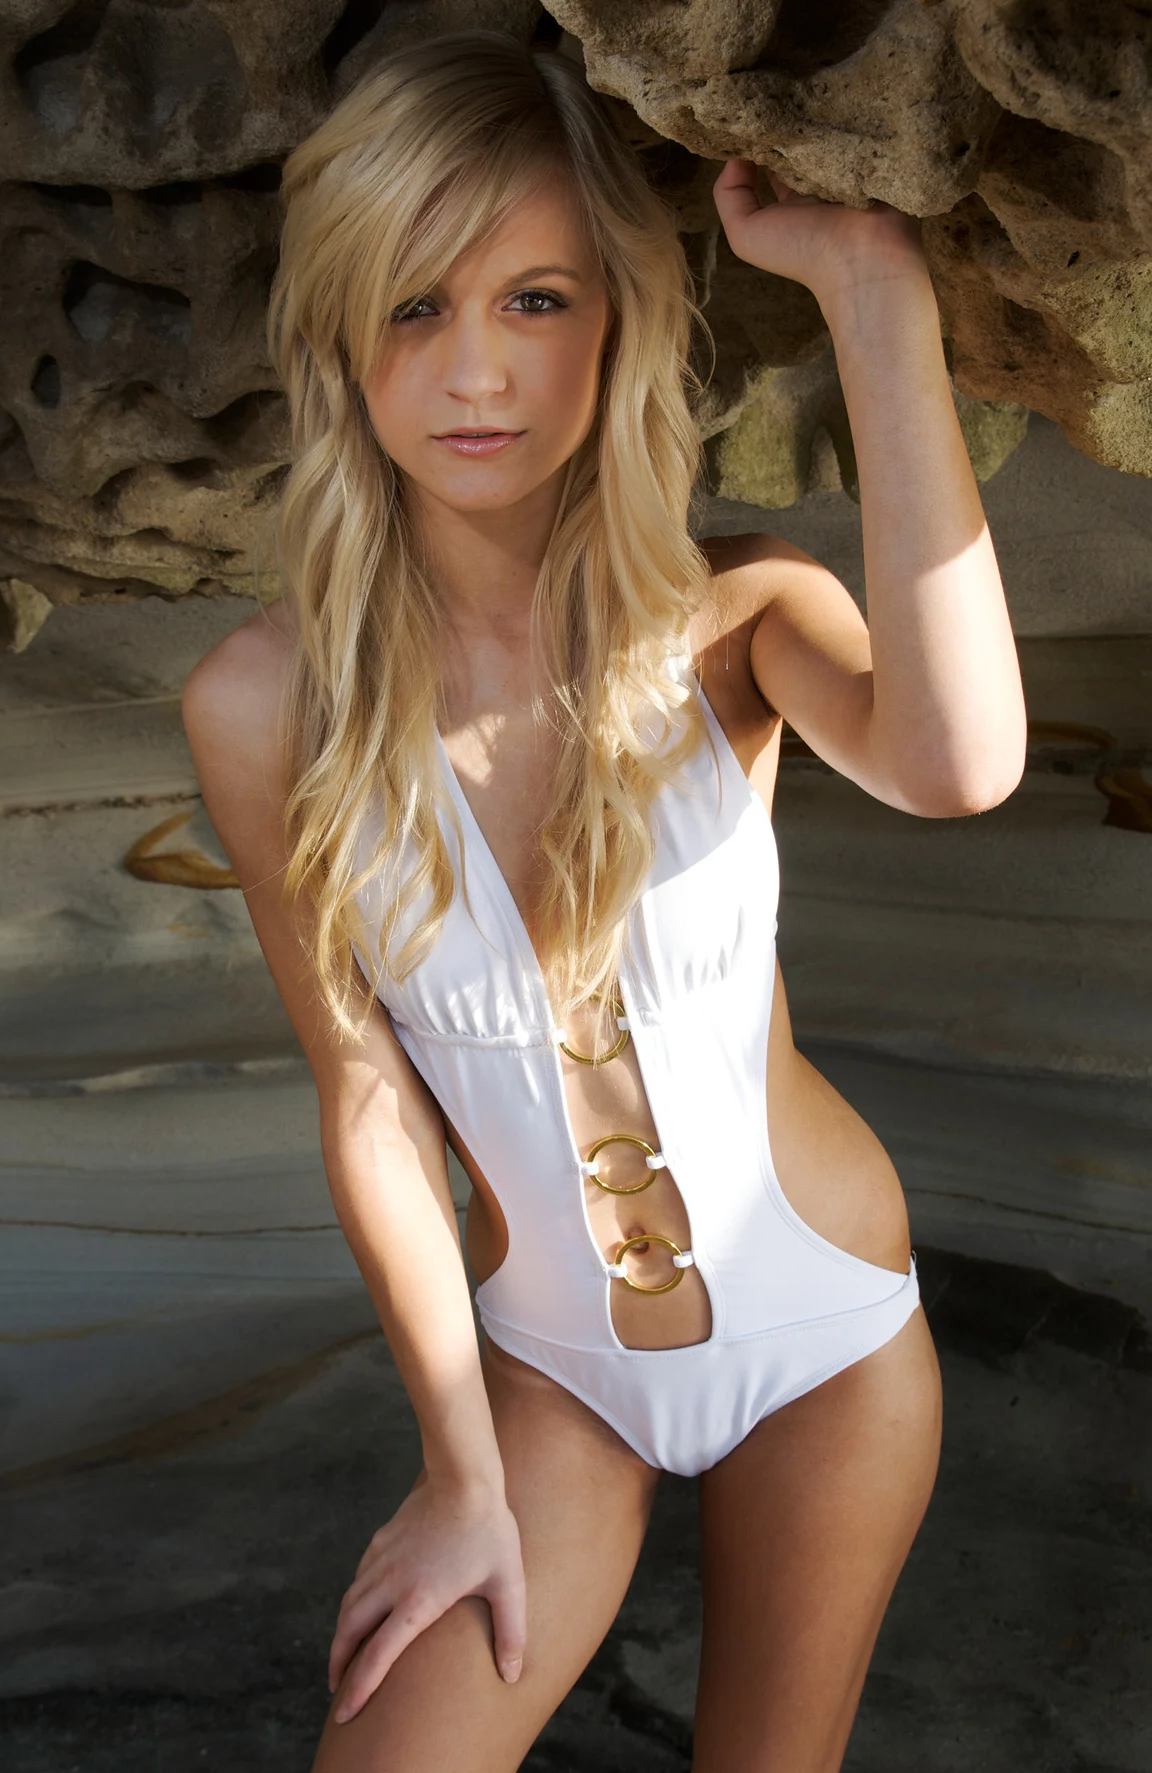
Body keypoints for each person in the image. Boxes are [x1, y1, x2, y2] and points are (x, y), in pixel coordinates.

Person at [182, 32, 1024, 1770]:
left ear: (617, 322)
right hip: (551, 1371)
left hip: (831, 1337)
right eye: (415, 307)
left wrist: (876, 293)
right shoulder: (264, 706)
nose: (476, 371)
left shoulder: (736, 619)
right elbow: (369, 1106)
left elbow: (963, 763)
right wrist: (455, 1468)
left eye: (538, 299)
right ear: (341, 337)